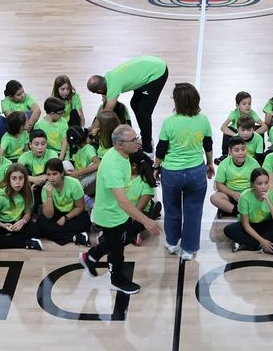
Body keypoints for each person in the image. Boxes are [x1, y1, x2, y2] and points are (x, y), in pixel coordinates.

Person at [80, 124, 160, 296]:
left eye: (136, 137)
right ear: (119, 144)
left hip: (119, 213)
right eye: (133, 140)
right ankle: (117, 280)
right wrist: (145, 221)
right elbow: (123, 201)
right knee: (117, 250)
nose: (137, 143)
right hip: (111, 215)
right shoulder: (113, 167)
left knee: (115, 241)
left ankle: (90, 257)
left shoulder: (121, 154)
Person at [156, 82, 213, 261]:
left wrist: (157, 167)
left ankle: (172, 243)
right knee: (194, 210)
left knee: (171, 208)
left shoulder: (169, 122)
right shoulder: (203, 120)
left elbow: (161, 149)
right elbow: (208, 144)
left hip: (172, 173)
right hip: (196, 172)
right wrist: (210, 163)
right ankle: (188, 249)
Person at [88, 56, 170, 148]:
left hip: (157, 72)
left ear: (99, 91)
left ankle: (148, 147)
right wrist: (91, 128)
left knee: (143, 113)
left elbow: (106, 113)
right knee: (135, 103)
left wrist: (92, 130)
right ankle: (145, 137)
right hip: (150, 64)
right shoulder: (109, 76)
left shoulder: (113, 86)